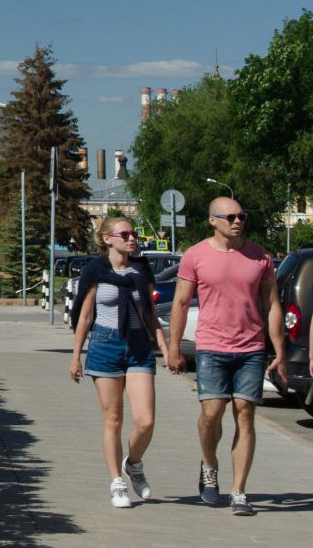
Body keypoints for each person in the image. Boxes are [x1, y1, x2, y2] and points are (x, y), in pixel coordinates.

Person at [165, 196, 288, 516]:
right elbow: (179, 303)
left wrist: (279, 348)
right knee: (212, 414)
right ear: (213, 220)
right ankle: (209, 465)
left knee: (245, 416)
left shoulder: (260, 256)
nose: (238, 221)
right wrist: (174, 347)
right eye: (231, 216)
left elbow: (272, 304)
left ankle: (239, 492)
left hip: (250, 349)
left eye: (242, 216)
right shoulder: (195, 255)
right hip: (211, 347)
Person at [67, 216, 163, 508]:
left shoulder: (141, 269)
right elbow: (84, 317)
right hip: (105, 346)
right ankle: (116, 482)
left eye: (134, 234)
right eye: (125, 234)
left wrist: (166, 347)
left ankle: (133, 463)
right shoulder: (95, 271)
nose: (132, 239)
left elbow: (150, 314)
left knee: (145, 420)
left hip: (137, 346)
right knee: (114, 420)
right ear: (107, 239)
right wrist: (76, 357)